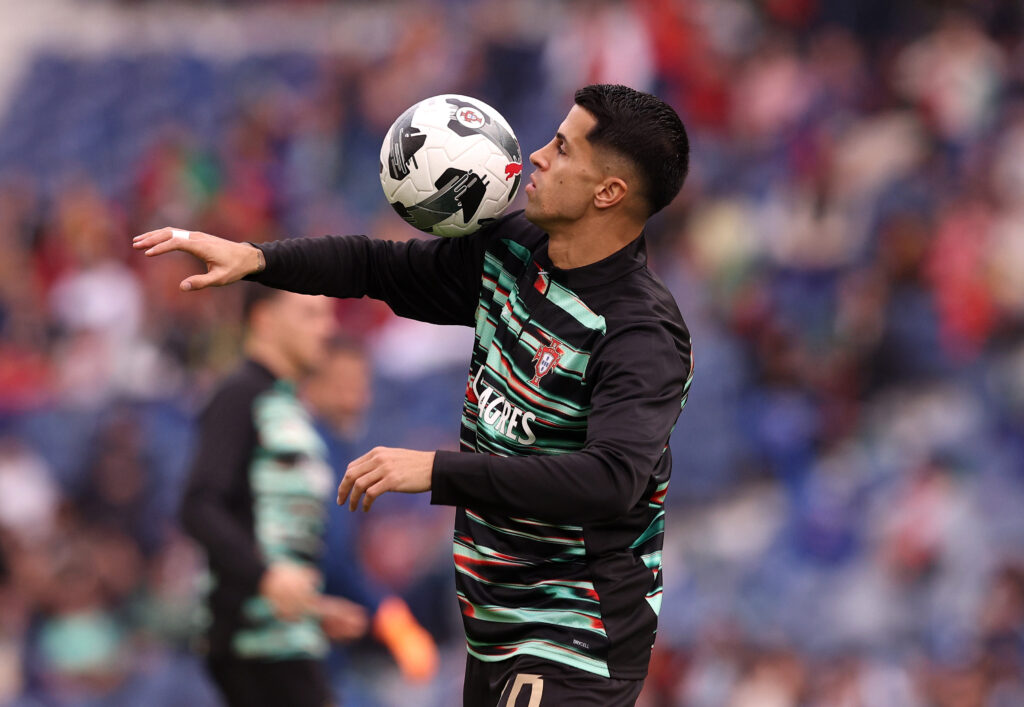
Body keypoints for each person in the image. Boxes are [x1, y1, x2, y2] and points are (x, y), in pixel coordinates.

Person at [136, 83, 694, 706]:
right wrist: (257, 258)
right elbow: (376, 267)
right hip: (494, 628)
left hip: (573, 634)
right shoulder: (514, 253)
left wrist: (436, 471)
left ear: (608, 192)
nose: (536, 155)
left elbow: (610, 480)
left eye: (563, 149)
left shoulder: (641, 334)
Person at [178, 285, 369, 707]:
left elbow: (262, 527)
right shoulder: (240, 394)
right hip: (254, 639)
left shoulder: (287, 404)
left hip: (285, 635)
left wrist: (310, 607)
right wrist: (267, 578)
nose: (327, 329)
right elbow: (199, 505)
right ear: (264, 320)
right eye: (310, 315)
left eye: (328, 315)